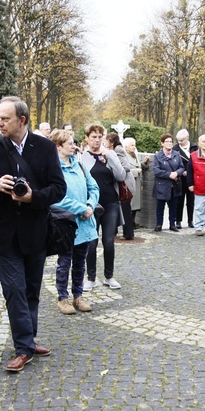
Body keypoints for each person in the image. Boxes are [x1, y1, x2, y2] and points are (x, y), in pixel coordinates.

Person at [0, 97, 66, 372]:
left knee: (32, 290)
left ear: (22, 120)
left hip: (35, 232)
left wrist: (33, 197)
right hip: (3, 235)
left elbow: (58, 189)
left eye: (5, 118)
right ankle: (23, 347)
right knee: (14, 290)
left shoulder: (46, 147)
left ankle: (28, 338)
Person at [51, 129, 99, 314]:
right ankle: (62, 298)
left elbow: (93, 187)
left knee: (80, 261)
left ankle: (78, 296)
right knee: (65, 262)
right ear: (58, 146)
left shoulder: (79, 166)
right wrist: (81, 209)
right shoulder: (54, 169)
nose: (74, 146)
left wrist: (90, 205)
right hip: (66, 224)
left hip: (85, 222)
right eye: (70, 143)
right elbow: (56, 197)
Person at [81, 123, 127, 291]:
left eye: (100, 137)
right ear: (86, 138)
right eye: (93, 137)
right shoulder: (82, 157)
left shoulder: (110, 154)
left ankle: (109, 276)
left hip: (111, 203)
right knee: (91, 242)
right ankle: (91, 278)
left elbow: (121, 176)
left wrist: (112, 157)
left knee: (109, 241)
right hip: (91, 205)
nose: (97, 140)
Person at [105, 133, 137, 240]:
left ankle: (128, 233)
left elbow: (125, 167)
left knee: (125, 209)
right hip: (117, 184)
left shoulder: (119, 150)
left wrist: (116, 171)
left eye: (106, 140)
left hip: (124, 184)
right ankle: (114, 231)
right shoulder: (110, 150)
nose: (105, 142)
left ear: (112, 142)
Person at [152, 134, 184, 232]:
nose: (169, 143)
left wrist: (177, 173)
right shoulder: (158, 156)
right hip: (162, 185)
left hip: (174, 185)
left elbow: (182, 167)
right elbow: (156, 170)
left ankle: (172, 224)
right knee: (160, 207)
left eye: (171, 141)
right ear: (162, 143)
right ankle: (159, 224)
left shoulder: (176, 154)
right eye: (167, 141)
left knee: (174, 206)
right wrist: (169, 174)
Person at [173, 129, 197, 229]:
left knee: (191, 201)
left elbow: (197, 161)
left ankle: (190, 220)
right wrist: (180, 171)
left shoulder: (194, 147)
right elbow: (173, 162)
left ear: (187, 138)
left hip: (191, 178)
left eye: (182, 140)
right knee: (180, 200)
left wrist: (190, 171)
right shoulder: (175, 148)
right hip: (180, 178)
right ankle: (178, 220)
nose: (180, 142)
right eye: (178, 140)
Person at [123, 137, 144, 226]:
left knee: (136, 204)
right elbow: (124, 170)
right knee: (130, 204)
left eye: (134, 145)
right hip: (130, 183)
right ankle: (129, 223)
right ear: (126, 147)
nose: (134, 147)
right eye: (131, 145)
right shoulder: (124, 156)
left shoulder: (135, 155)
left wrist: (144, 163)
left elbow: (137, 165)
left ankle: (133, 221)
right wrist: (136, 171)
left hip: (137, 183)